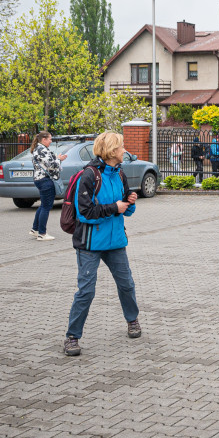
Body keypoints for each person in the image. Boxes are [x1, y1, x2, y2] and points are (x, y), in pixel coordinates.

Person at [63, 131, 141, 357]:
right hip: (90, 243)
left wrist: (130, 202)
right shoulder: (88, 176)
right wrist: (114, 208)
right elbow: (84, 213)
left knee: (126, 283)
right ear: (111, 151)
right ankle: (72, 336)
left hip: (115, 241)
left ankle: (132, 320)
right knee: (86, 291)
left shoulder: (119, 173)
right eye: (121, 147)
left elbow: (126, 207)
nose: (124, 150)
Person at [31, 131, 67, 241]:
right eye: (50, 139)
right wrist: (60, 159)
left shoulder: (40, 148)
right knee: (46, 207)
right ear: (44, 139)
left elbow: (48, 161)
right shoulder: (41, 149)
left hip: (40, 179)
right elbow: (51, 165)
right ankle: (42, 234)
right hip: (45, 180)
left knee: (43, 205)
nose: (51, 141)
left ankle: (35, 229)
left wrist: (57, 158)